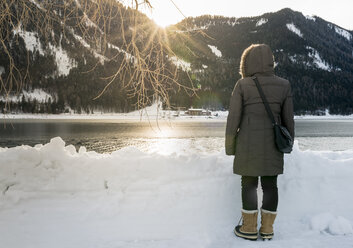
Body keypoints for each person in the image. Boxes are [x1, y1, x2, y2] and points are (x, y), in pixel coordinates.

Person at [225, 44, 294, 241]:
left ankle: (248, 228)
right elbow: (289, 120)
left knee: (248, 184)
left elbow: (233, 119)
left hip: (247, 145)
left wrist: (230, 147)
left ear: (246, 62)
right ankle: (267, 229)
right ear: (271, 62)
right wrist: (287, 144)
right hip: (273, 145)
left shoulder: (243, 85)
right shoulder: (284, 85)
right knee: (270, 186)